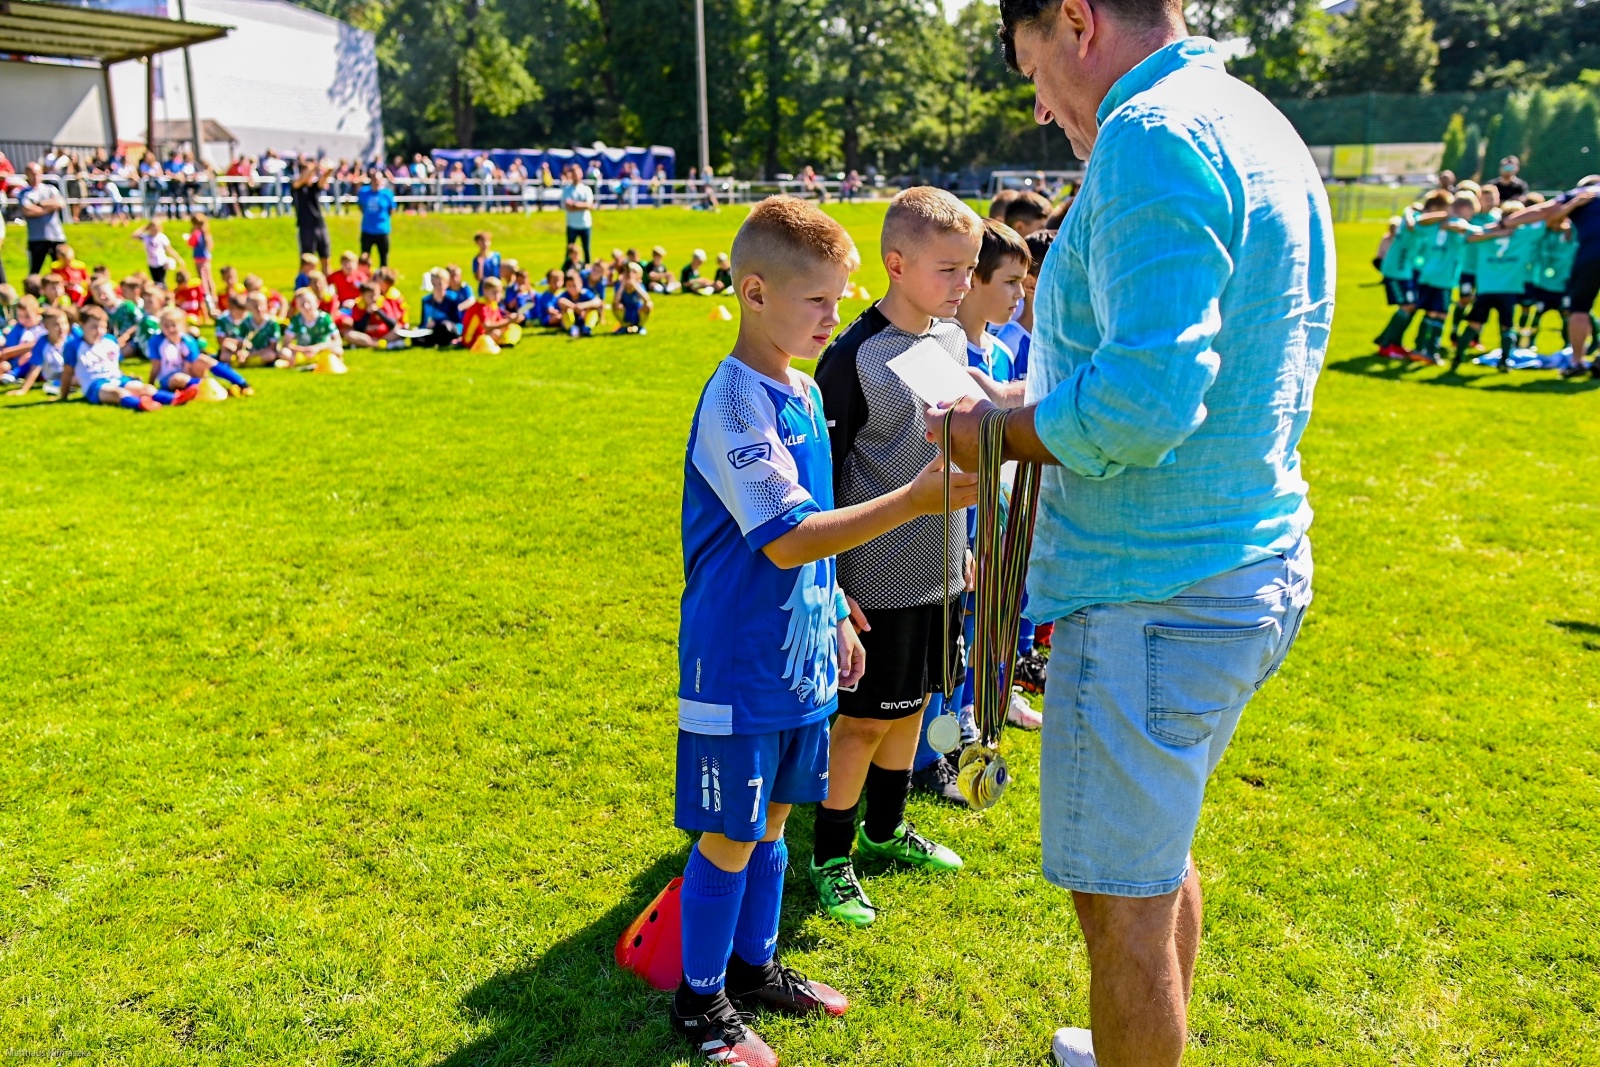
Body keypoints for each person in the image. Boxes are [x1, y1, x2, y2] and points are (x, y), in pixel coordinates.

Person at [933, 8, 1331, 1065]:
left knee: (1120, 907)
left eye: (1032, 71)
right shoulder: (1250, 118)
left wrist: (996, 428)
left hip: (1155, 591)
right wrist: (1035, 399)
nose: (1040, 104)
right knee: (1150, 864)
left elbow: (1148, 400)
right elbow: (1178, 361)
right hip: (1232, 561)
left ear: (1076, 20)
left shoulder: (1151, 131)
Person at [666, 194, 976, 1067]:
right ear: (754, 292)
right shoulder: (735, 403)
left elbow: (820, 520)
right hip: (736, 659)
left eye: (841, 301)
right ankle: (699, 1004)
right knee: (731, 831)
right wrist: (915, 500)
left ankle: (756, 969)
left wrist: (835, 605)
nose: (833, 319)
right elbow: (788, 533)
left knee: (772, 825)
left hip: (800, 651)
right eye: (818, 303)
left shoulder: (801, 388)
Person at [809, 187, 982, 926]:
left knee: (914, 705)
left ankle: (885, 827)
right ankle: (831, 854)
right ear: (896, 263)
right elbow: (823, 480)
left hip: (940, 570)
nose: (963, 285)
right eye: (949, 269)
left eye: (971, 269)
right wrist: (833, 586)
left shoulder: (950, 338)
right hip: (872, 579)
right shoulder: (853, 357)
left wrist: (966, 546)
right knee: (861, 724)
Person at [1457, 201, 1543, 371]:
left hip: (1486, 288)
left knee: (1474, 324)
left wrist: (1494, 233)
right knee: (1507, 327)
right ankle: (1504, 362)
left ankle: (1457, 359)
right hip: (1508, 289)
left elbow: (1468, 236)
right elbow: (1543, 223)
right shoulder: (1523, 235)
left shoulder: (1488, 231)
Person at [1410, 192, 1482, 364]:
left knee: (1429, 312)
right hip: (1444, 278)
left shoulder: (1436, 223)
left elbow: (1419, 222)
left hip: (1428, 274)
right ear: (1464, 209)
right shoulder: (1457, 222)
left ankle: (1419, 348)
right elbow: (1474, 231)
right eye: (1471, 212)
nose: (1471, 217)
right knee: (1441, 314)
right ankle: (1431, 352)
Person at [60, 305, 175, 411]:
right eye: (94, 327)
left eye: (102, 327)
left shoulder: (110, 341)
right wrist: (63, 396)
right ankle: (140, 404)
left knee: (145, 389)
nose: (99, 331)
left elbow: (113, 365)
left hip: (117, 378)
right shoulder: (73, 346)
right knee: (117, 393)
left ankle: (175, 398)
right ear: (82, 325)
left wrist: (126, 376)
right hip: (95, 384)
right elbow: (67, 373)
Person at [1372, 194, 1441, 359]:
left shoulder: (1416, 217)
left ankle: (1392, 342)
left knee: (1411, 306)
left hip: (1408, 270)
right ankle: (1386, 346)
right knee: (1407, 306)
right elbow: (1412, 223)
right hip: (1397, 270)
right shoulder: (1414, 216)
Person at [8, 305, 73, 397]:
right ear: (46, 327)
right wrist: (23, 390)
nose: (61, 327)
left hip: (70, 376)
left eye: (64, 323)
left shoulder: (71, 341)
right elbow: (35, 368)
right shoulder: (42, 343)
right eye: (56, 324)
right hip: (53, 378)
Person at [18, 163, 68, 274]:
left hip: (56, 236)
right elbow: (27, 210)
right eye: (32, 174)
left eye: (37, 174)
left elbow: (60, 203)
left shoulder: (50, 189)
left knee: (63, 269)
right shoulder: (24, 193)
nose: (35, 177)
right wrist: (49, 208)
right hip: (37, 238)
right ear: (27, 175)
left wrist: (39, 204)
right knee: (35, 271)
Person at [292, 159, 334, 275]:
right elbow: (301, 180)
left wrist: (329, 169)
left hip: (320, 226)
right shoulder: (297, 187)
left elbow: (324, 178)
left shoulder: (314, 188)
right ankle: (303, 283)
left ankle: (326, 284)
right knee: (307, 260)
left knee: (325, 258)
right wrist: (314, 167)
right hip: (306, 228)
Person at [283, 286, 343, 365]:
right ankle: (305, 362)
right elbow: (286, 343)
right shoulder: (296, 320)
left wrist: (317, 348)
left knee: (338, 350)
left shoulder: (325, 318)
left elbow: (338, 341)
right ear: (297, 307)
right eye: (302, 304)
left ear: (317, 303)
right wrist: (303, 349)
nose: (306, 307)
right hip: (302, 352)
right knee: (284, 352)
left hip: (321, 350)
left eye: (309, 303)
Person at [461, 277, 514, 349]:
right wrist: (508, 321)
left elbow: (499, 321)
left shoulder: (492, 304)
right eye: (494, 292)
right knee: (496, 333)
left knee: (511, 328)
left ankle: (502, 342)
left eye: (500, 292)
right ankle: (501, 342)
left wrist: (510, 320)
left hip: (484, 334)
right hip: (471, 340)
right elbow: (487, 326)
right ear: (485, 291)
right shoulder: (480, 306)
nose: (497, 295)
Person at [358, 170, 396, 267]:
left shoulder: (387, 194)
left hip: (382, 230)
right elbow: (361, 207)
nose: (377, 182)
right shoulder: (364, 192)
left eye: (379, 180)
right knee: (364, 257)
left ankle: (382, 277)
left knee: (384, 257)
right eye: (375, 180)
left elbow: (391, 210)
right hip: (367, 230)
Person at [417, 270, 465, 347]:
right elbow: (423, 322)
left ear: (446, 284)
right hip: (432, 330)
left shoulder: (453, 298)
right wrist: (419, 329)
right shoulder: (426, 300)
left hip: (448, 328)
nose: (437, 287)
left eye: (440, 284)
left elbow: (458, 320)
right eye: (434, 284)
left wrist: (436, 322)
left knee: (444, 327)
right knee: (416, 338)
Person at [345, 282, 398, 348]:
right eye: (371, 296)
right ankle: (377, 344)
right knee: (349, 334)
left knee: (398, 330)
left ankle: (369, 344)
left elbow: (392, 324)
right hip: (367, 336)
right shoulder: (358, 305)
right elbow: (358, 328)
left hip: (384, 334)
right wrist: (368, 313)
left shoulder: (383, 302)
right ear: (363, 295)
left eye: (376, 295)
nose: (374, 298)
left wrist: (378, 311)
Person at [555, 269, 604, 338]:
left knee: (593, 311)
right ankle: (572, 328)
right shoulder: (565, 294)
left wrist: (583, 305)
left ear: (580, 284)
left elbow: (598, 301)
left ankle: (587, 328)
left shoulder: (585, 292)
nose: (572, 288)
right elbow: (560, 301)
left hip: (584, 317)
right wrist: (575, 307)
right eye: (569, 286)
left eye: (574, 285)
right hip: (572, 319)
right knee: (566, 311)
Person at [561, 164, 595, 263]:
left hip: (585, 224)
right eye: (573, 173)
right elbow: (568, 207)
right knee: (569, 249)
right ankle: (567, 269)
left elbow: (589, 205)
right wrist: (582, 205)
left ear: (581, 174)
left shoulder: (586, 189)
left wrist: (575, 205)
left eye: (577, 173)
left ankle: (588, 269)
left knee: (586, 249)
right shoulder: (567, 190)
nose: (575, 176)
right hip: (572, 224)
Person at [131, 218, 176, 287]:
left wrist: (178, 259)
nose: (154, 231)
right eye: (152, 228)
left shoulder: (162, 237)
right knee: (156, 282)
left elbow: (169, 249)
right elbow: (134, 235)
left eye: (156, 229)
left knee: (161, 281)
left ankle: (164, 294)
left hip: (161, 263)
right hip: (151, 263)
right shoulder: (146, 237)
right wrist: (144, 227)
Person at [611, 261, 653, 335]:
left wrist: (635, 285)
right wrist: (622, 285)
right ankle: (624, 326)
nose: (629, 275)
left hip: (637, 311)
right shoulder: (619, 285)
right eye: (627, 272)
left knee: (649, 305)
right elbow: (615, 301)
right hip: (626, 311)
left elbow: (647, 300)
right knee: (616, 305)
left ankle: (640, 326)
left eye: (633, 272)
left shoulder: (639, 285)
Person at [471, 231, 502, 297]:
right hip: (484, 290)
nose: (485, 244)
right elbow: (478, 278)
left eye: (486, 241)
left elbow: (501, 272)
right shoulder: (476, 259)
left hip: (496, 287)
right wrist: (480, 265)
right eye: (481, 242)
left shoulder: (496, 256)